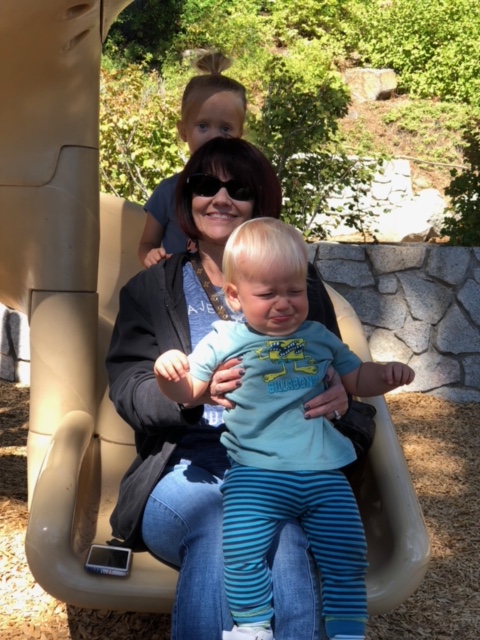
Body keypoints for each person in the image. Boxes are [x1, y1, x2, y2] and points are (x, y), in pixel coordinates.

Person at [106, 137, 351, 640]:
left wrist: (342, 401)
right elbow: (129, 388)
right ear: (186, 198)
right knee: (224, 523)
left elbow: (345, 380)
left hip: (285, 465)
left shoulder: (299, 286)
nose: (220, 198)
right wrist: (187, 394)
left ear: (259, 203)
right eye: (205, 185)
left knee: (280, 537)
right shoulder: (150, 289)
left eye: (238, 189)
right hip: (186, 467)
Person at [154, 218, 415, 640]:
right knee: (240, 552)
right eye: (267, 294)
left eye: (294, 291)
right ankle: (252, 624)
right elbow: (189, 390)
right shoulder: (225, 339)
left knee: (347, 555)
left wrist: (384, 374)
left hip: (323, 472)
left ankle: (348, 630)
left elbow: (356, 379)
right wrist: (168, 374)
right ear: (235, 296)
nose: (283, 303)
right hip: (256, 474)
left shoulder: (319, 337)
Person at [137, 51, 247, 267]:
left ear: (239, 134)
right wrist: (150, 256)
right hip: (177, 286)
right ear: (183, 130)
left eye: (225, 128)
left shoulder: (245, 193)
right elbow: (146, 244)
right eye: (203, 126)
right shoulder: (168, 191)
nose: (214, 137)